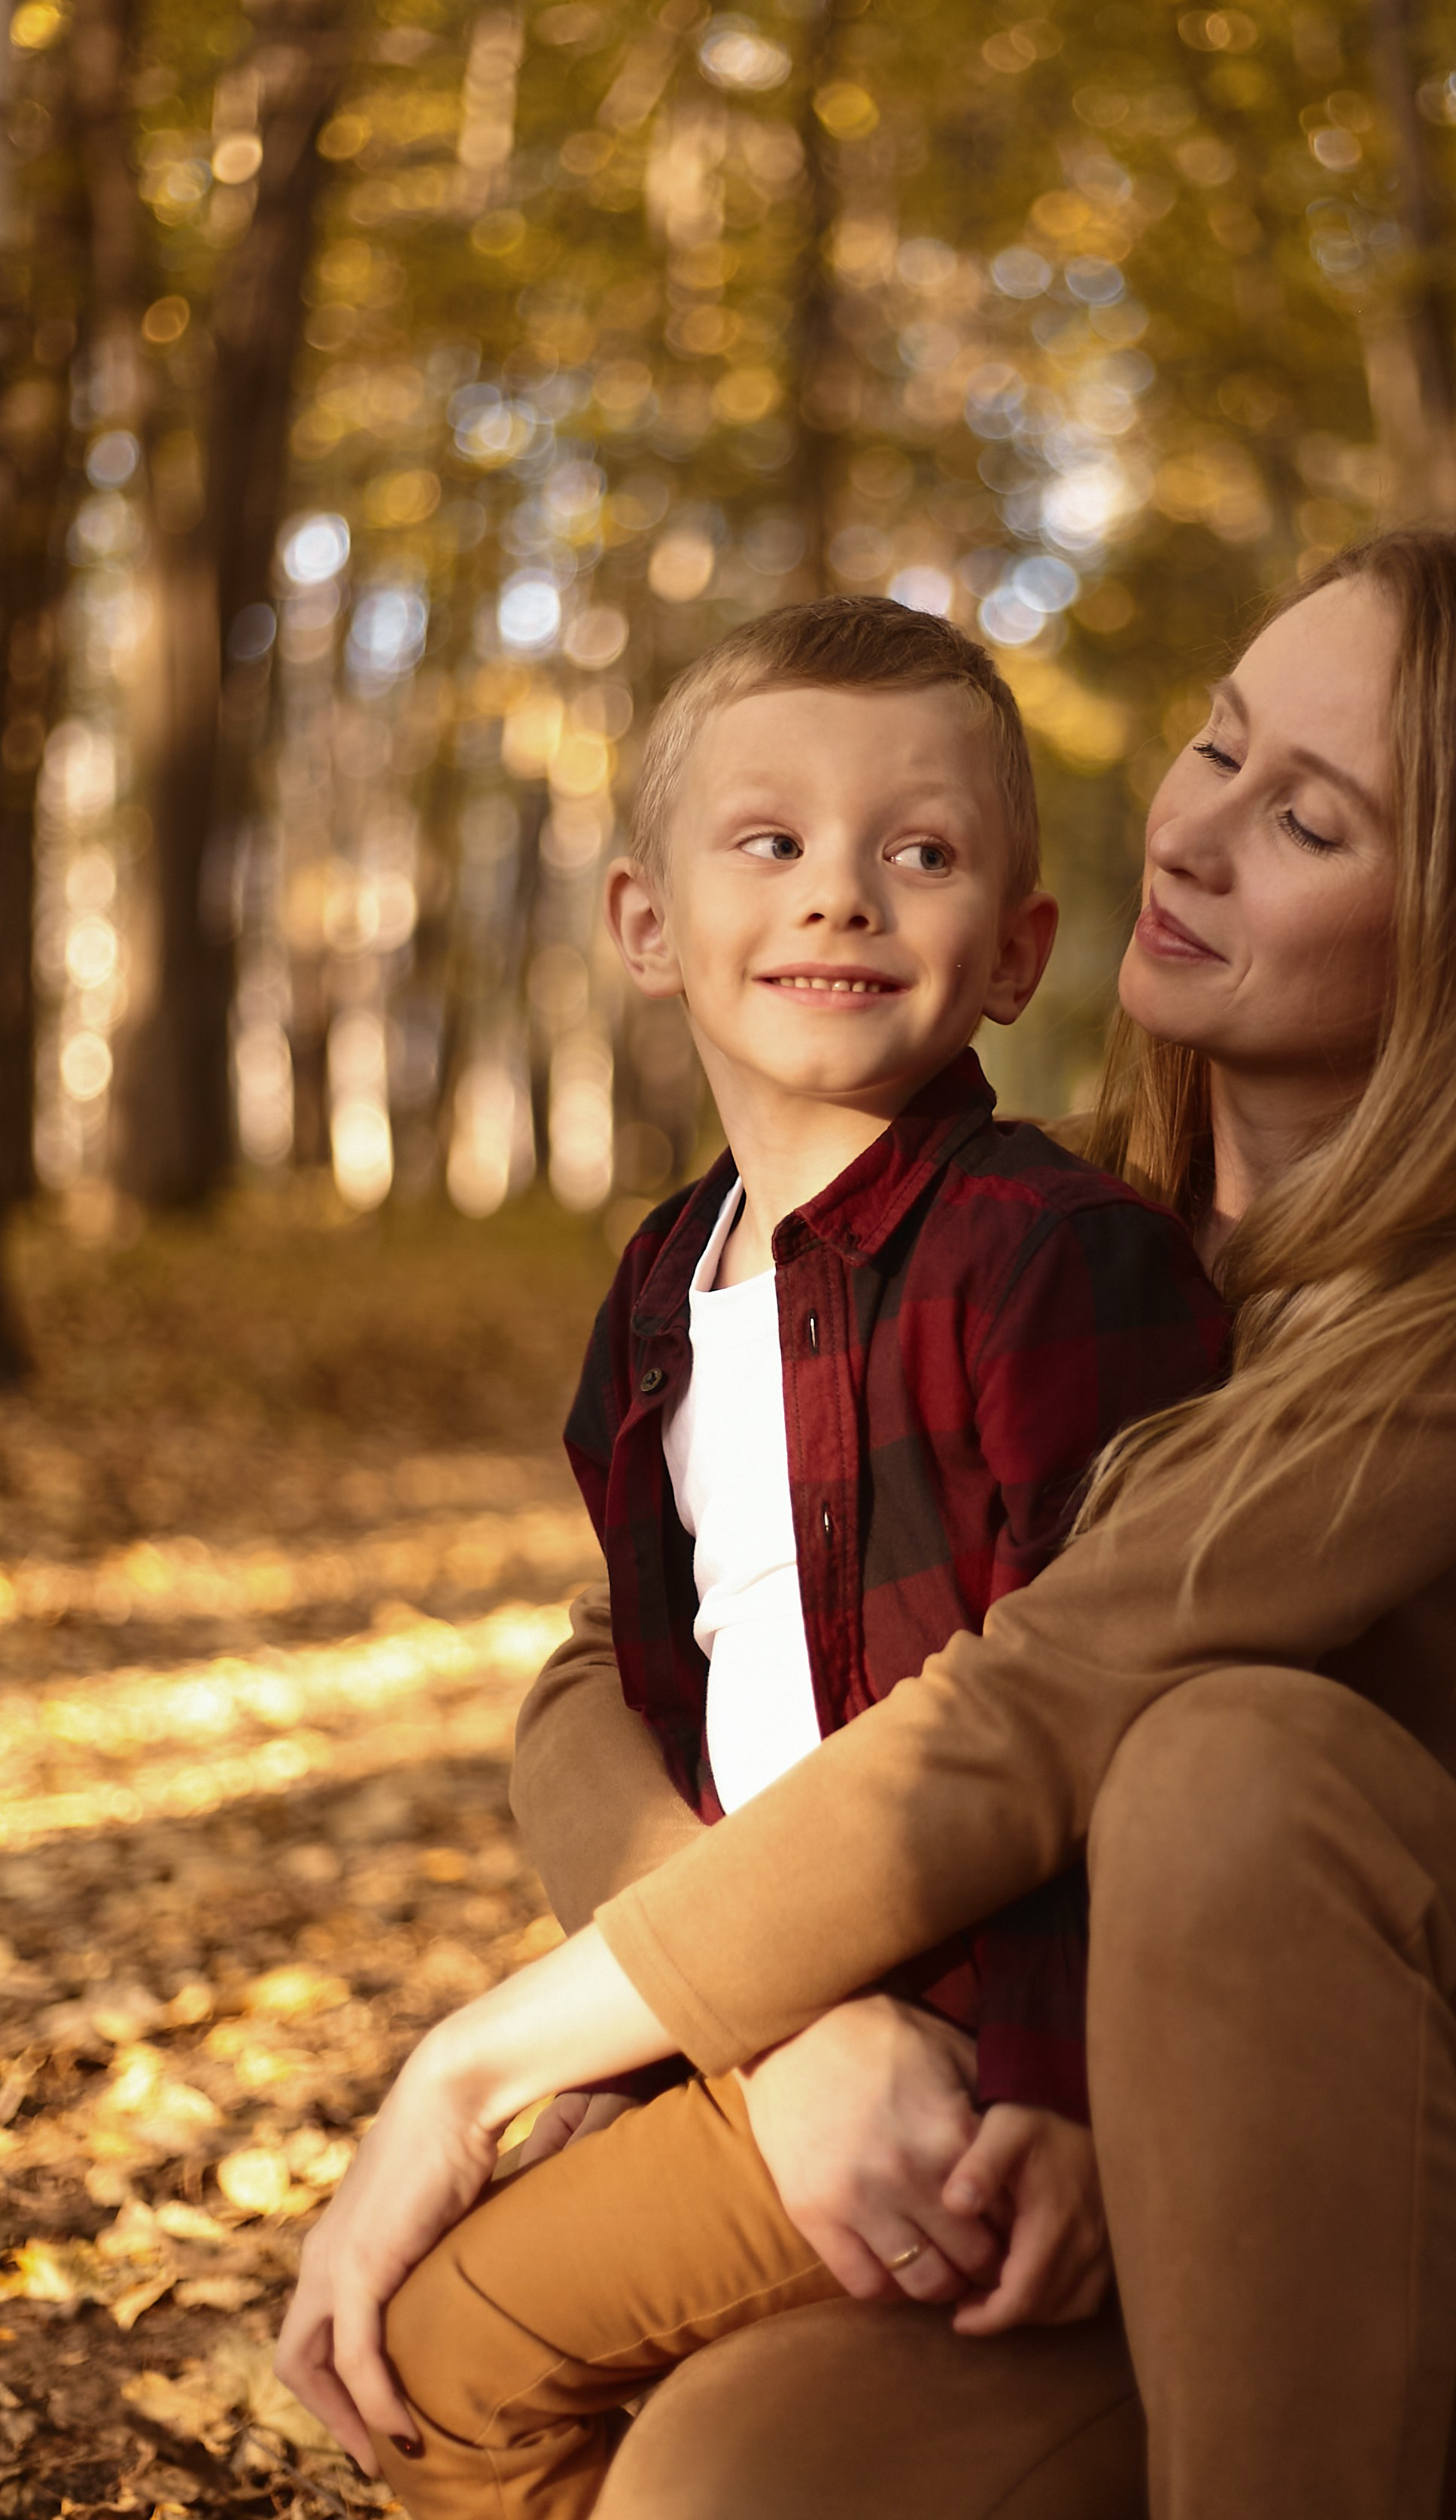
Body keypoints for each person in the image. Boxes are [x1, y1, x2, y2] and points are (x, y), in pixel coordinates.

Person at [281, 529, 1456, 2520]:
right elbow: (600, 1662)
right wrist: (789, 2040)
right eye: (1219, 750)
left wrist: (473, 2059)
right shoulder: (1059, 1237)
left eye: (1307, 817)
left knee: (1224, 1764)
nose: (1196, 834)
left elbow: (1041, 1700)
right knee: (711, 2479)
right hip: (1198, 2174)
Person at [282, 595, 1225, 2515]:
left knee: (444, 2355)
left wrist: (1056, 2083)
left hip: (972, 2042)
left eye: (923, 851)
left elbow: (1116, 1725)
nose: (842, 897)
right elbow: (670, 1687)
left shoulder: (1053, 1259)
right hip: (774, 1998)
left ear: (1019, 953)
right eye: (770, 841)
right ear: (646, 925)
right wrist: (666, 2046)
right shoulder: (662, 1281)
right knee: (455, 2365)